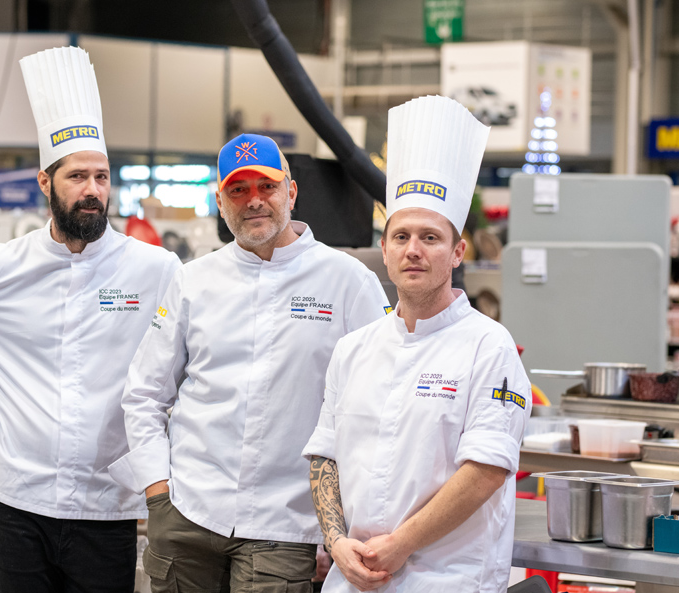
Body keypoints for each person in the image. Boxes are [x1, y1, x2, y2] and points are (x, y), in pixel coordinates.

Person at [0, 47, 181, 593]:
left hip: (106, 503)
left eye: (102, 177)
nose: (92, 190)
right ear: (46, 183)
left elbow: (182, 366)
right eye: (77, 178)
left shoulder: (155, 269)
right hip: (14, 498)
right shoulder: (1, 265)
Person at [108, 133, 391, 593]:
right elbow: (144, 392)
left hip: (286, 521)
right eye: (238, 190)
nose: (253, 201)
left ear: (292, 193)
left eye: (267, 186)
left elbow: (375, 408)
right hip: (188, 511)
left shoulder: (349, 282)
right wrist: (158, 494)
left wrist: (337, 526)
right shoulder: (193, 280)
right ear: (220, 201)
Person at [303, 95, 532, 593]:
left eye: (430, 237)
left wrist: (401, 543)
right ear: (383, 251)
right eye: (401, 236)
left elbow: (487, 471)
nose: (413, 250)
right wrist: (337, 543)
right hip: (353, 578)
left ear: (457, 253)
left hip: (447, 580)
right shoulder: (353, 349)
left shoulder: (489, 348)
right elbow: (325, 458)